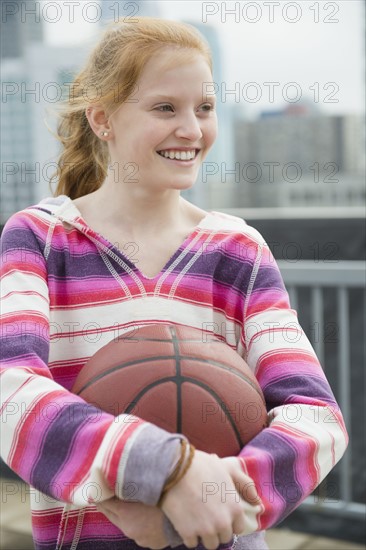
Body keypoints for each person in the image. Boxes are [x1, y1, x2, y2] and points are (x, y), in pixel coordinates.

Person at [0, 17, 348, 550]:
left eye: (204, 108)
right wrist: (162, 469)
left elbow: (316, 416)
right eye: (165, 108)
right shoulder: (40, 239)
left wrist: (193, 501)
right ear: (102, 119)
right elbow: (10, 392)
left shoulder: (237, 249)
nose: (192, 129)